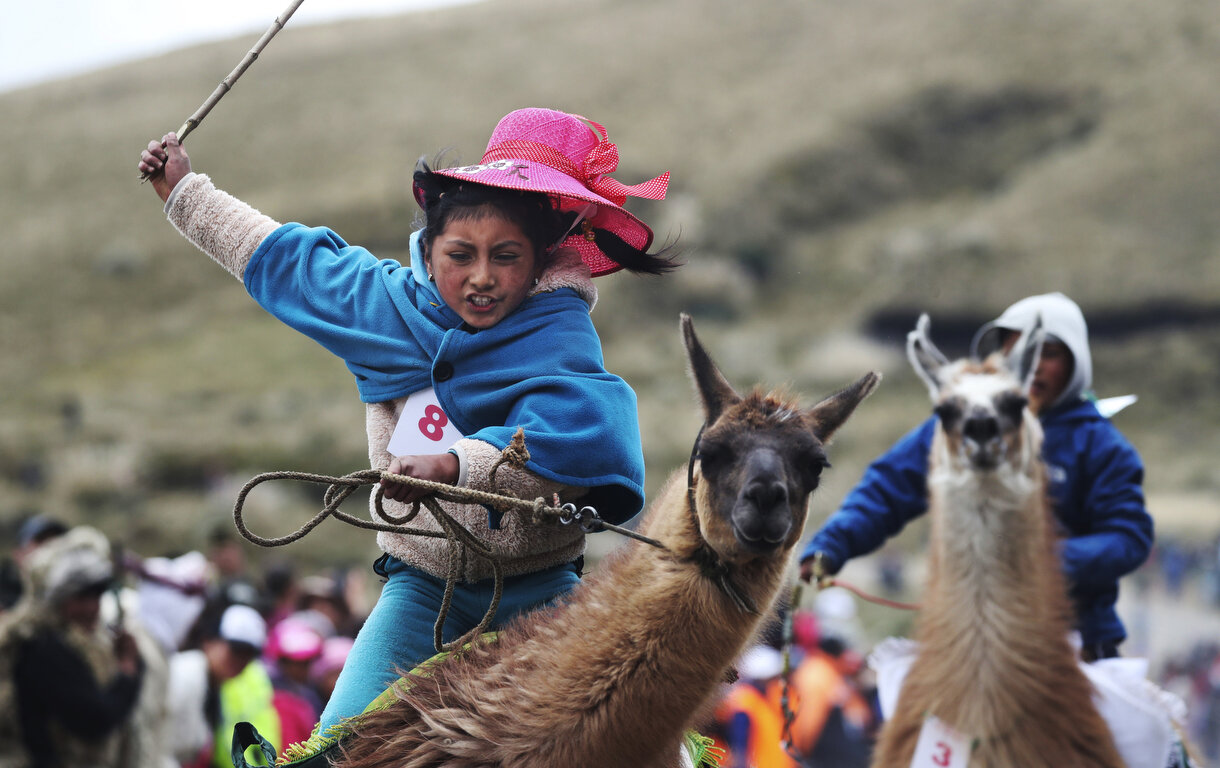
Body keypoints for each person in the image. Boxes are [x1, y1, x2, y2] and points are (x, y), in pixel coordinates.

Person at [137, 107, 673, 731]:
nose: (481, 277)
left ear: (538, 260)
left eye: (506, 256)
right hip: (420, 592)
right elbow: (286, 262)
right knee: (336, 748)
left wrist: (453, 464)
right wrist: (184, 192)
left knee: (619, 739)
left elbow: (571, 436)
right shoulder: (381, 308)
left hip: (541, 592)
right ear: (429, 247)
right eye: (460, 255)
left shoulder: (558, 333)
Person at [799, 292, 1153, 662]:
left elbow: (1129, 537)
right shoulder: (960, 426)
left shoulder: (1100, 445)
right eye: (1013, 356)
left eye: (1046, 354)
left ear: (1075, 361)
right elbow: (888, 488)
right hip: (972, 636)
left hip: (1079, 641)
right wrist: (833, 544)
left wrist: (1044, 559)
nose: (1029, 368)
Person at [0, 526, 146, 768]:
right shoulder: (43, 648)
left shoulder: (80, 644)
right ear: (59, 600)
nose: (92, 607)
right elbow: (94, 719)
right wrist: (129, 668)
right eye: (81, 597)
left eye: (97, 596)